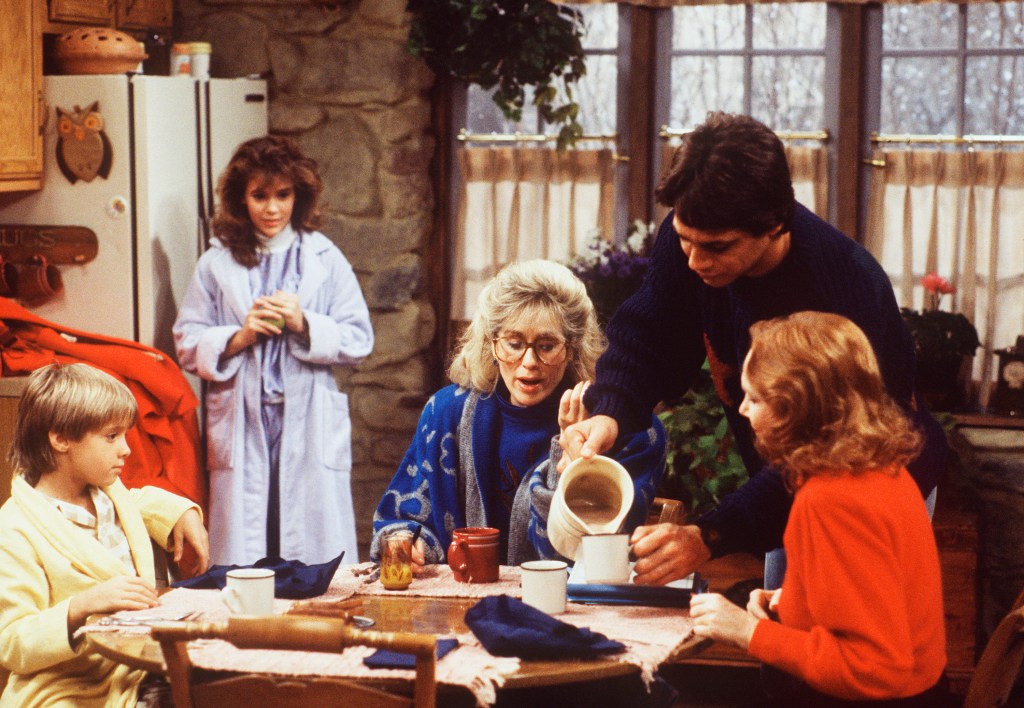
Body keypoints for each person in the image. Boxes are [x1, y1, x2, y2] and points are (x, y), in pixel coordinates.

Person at [560, 111, 947, 588]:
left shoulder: (844, 287)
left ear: (775, 224)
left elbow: (827, 451)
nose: (695, 261)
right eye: (684, 240)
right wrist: (610, 414)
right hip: (792, 482)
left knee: (840, 631)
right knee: (782, 622)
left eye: (717, 247)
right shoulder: (694, 239)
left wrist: (710, 535)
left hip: (867, 487)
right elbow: (650, 337)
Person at [688, 312, 952, 707]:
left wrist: (748, 632)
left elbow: (876, 668)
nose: (742, 410)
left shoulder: (830, 501)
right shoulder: (880, 470)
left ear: (795, 408)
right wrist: (793, 601)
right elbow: (876, 596)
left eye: (755, 398)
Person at [371, 259, 667, 568]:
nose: (529, 362)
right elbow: (403, 518)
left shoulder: (623, 430)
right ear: (492, 344)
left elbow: (580, 558)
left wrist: (571, 462)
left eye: (547, 345)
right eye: (514, 343)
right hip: (463, 594)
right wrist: (411, 543)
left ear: (573, 348)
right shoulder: (446, 413)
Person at [174, 135, 373, 566]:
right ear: (240, 198)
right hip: (243, 419)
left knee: (308, 540)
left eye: (283, 195)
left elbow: (359, 337)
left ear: (298, 196)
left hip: (307, 416)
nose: (272, 208)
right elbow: (187, 340)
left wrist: (304, 324)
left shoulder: (324, 258)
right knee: (249, 543)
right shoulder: (216, 262)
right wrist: (239, 337)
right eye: (259, 196)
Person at [0, 363, 209, 707]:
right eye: (112, 437)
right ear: (61, 438)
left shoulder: (109, 495)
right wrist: (80, 607)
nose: (126, 449)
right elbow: (11, 642)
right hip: (68, 686)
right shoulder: (15, 529)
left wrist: (180, 511)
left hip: (137, 666)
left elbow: (137, 501)